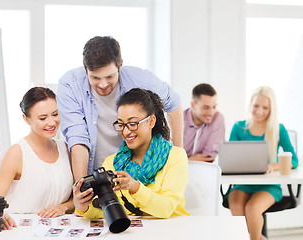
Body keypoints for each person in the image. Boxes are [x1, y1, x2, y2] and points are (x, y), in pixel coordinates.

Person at [57, 36, 183, 182]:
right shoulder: (70, 85)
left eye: (109, 76)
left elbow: (174, 104)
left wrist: (178, 155)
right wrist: (82, 186)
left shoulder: (141, 79)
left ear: (120, 66)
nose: (103, 84)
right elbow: (77, 138)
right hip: (96, 168)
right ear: (85, 70)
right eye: (95, 78)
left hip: (139, 168)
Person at [73, 88, 189, 219]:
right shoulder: (112, 162)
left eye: (133, 124)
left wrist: (135, 188)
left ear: (151, 121)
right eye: (121, 124)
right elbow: (108, 212)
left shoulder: (175, 156)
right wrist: (84, 207)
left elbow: (166, 208)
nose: (126, 132)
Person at [0, 87, 74, 230]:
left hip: (57, 230)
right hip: (19, 230)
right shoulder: (17, 153)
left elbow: (77, 197)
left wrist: (62, 207)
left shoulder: (65, 148)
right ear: (26, 119)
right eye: (43, 118)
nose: (52, 122)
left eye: (55, 114)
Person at [227, 86, 298, 240]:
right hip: (243, 184)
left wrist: (274, 165)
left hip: (268, 186)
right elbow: (230, 158)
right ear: (250, 105)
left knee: (252, 208)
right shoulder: (239, 127)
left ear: (271, 109)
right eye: (256, 106)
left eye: (265, 107)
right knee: (236, 206)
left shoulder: (278, 129)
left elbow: (294, 160)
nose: (259, 111)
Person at [183, 83, 225, 162]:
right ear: (193, 105)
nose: (211, 113)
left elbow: (209, 157)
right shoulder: (179, 120)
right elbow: (170, 158)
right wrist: (191, 159)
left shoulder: (218, 118)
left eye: (214, 107)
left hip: (204, 169)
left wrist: (185, 160)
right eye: (206, 108)